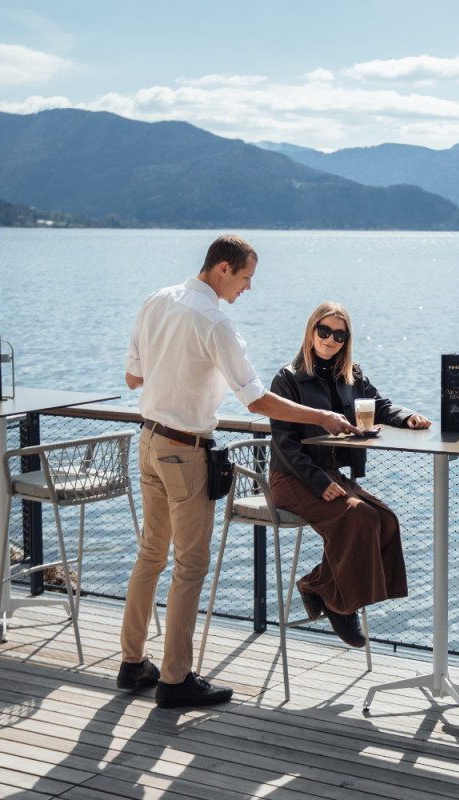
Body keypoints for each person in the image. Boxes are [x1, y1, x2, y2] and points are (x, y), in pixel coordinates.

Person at [118, 236, 360, 709]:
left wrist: (175, 371)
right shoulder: (214, 321)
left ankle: (132, 663)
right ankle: (175, 679)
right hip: (184, 450)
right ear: (223, 268)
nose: (248, 287)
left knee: (150, 555)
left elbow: (133, 378)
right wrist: (323, 417)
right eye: (246, 277)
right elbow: (256, 400)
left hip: (148, 441)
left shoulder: (157, 300)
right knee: (190, 565)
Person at [268, 302, 431, 647]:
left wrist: (407, 416)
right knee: (359, 516)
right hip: (293, 479)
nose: (330, 339)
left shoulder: (351, 374)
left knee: (385, 519)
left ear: (347, 339)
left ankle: (318, 585)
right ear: (311, 330)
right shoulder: (287, 379)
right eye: (324, 331)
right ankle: (342, 605)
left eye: (339, 335)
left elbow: (379, 406)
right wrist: (319, 482)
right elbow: (285, 444)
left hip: (330, 473)